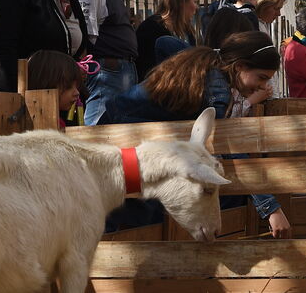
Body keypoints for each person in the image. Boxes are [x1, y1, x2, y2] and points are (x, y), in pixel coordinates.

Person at [101, 31, 292, 238]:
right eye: (261, 78)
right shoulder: (218, 92)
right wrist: (271, 208)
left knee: (134, 208)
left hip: (113, 126)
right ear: (239, 67)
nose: (263, 87)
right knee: (136, 209)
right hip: (124, 137)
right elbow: (224, 146)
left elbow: (163, 42)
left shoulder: (205, 65)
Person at [135, 0, 200, 79]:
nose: (197, 7)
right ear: (181, 2)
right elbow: (146, 71)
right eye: (195, 1)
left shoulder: (187, 31)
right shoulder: (150, 29)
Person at [27, 50, 89, 128]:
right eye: (68, 86)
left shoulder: (57, 122)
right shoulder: (46, 125)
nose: (77, 93)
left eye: (77, 86)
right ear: (46, 85)